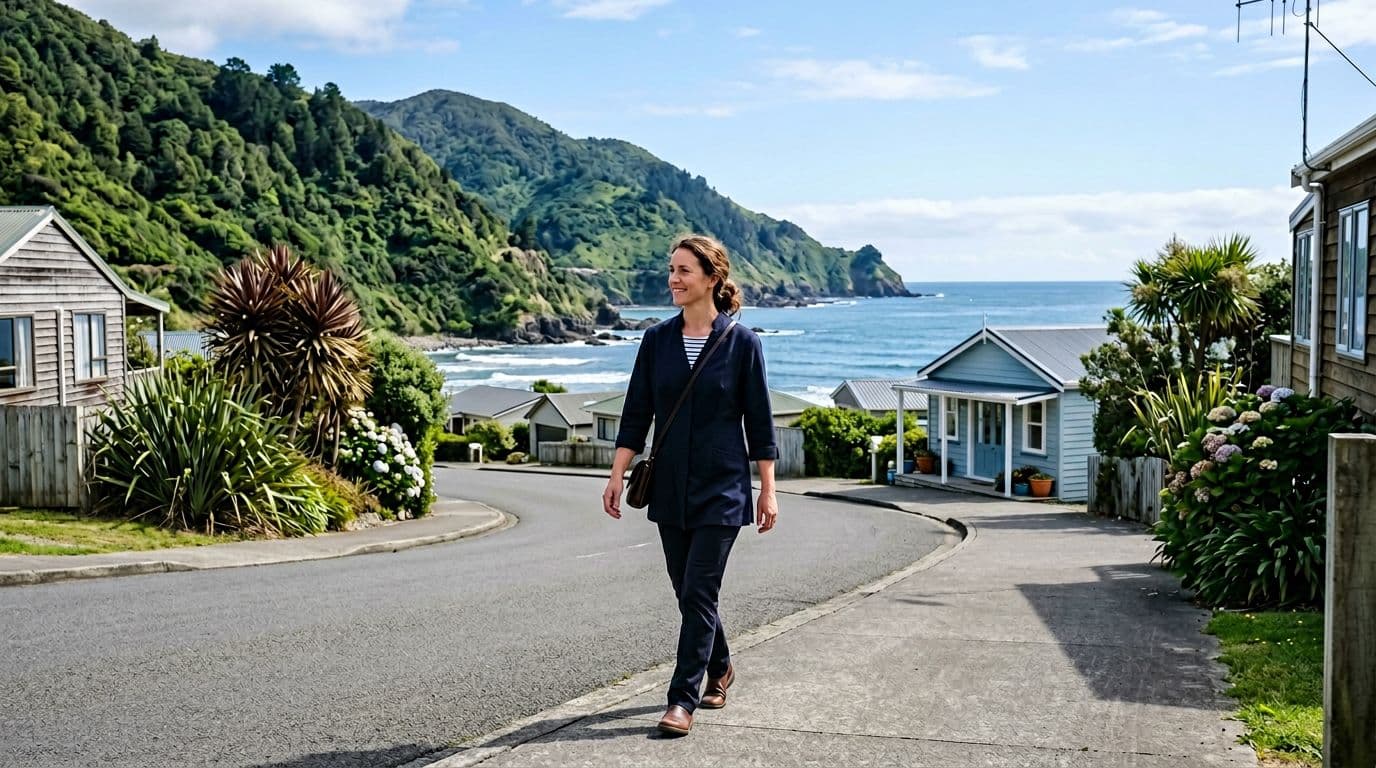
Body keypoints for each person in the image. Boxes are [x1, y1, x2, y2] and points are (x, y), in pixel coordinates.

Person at [602, 234, 778, 737]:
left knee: (700, 590)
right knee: (687, 590)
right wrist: (616, 473)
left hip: (723, 488)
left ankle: (682, 700)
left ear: (712, 278)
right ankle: (721, 665)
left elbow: (760, 424)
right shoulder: (656, 340)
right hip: (669, 486)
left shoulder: (743, 343)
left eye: (683, 270)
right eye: (671, 269)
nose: (673, 279)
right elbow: (636, 413)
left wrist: (768, 490)